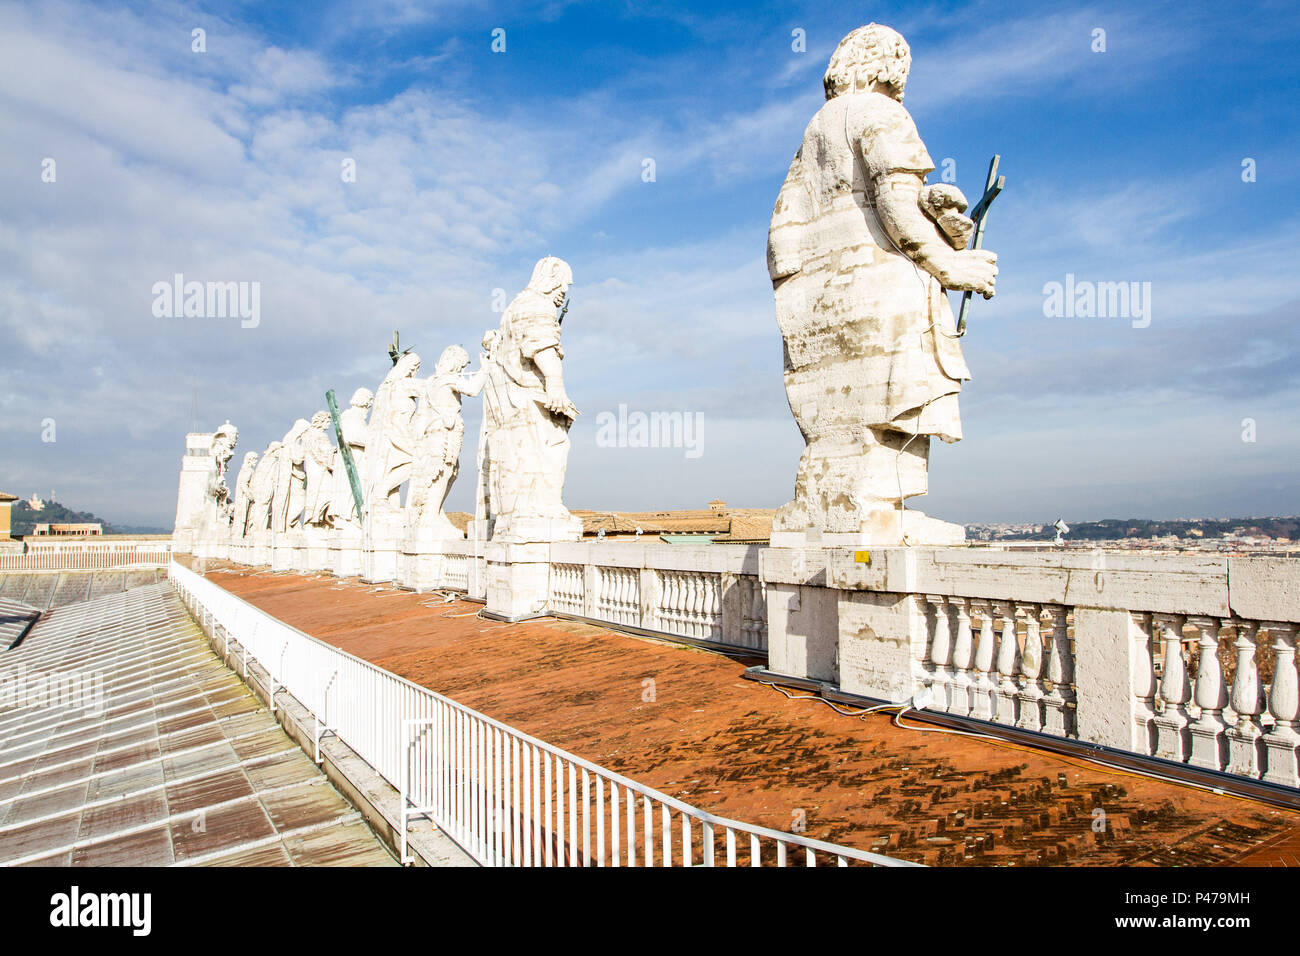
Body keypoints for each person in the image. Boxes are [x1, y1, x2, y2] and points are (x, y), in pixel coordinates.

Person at [767, 23, 997, 536]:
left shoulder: (815, 130)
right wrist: (951, 263)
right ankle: (877, 509)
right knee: (887, 401)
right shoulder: (879, 112)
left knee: (843, 415)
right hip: (880, 287)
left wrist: (936, 212)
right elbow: (894, 201)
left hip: (819, 299)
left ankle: (840, 503)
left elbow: (784, 234)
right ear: (888, 65)